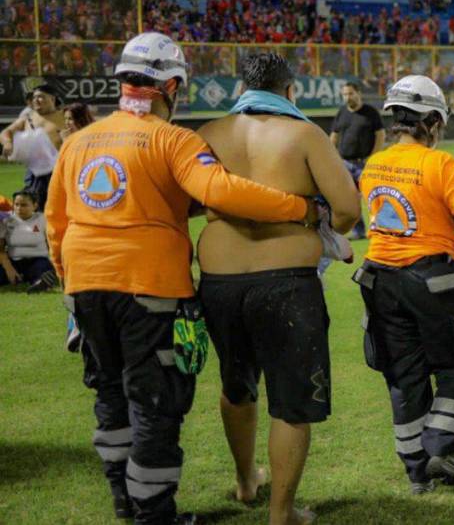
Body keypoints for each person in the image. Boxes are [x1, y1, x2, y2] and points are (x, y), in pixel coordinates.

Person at [47, 32, 318, 525]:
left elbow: (55, 224)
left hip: (84, 285)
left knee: (110, 396)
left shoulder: (76, 143)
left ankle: (124, 502)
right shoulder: (172, 139)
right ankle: (155, 514)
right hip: (148, 287)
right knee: (155, 400)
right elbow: (221, 190)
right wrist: (299, 207)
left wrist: (72, 287)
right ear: (170, 85)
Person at [196, 53, 361, 525]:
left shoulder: (209, 132)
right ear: (290, 91)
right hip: (286, 282)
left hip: (219, 281)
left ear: (242, 87)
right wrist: (310, 214)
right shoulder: (304, 133)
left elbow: (188, 200)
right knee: (291, 403)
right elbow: (348, 210)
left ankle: (247, 479)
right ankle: (280, 513)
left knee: (236, 384)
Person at [353, 75, 454, 495]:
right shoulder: (441, 164)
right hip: (434, 280)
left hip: (380, 280)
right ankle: (440, 446)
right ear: (431, 121)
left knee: (403, 375)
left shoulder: (373, 164)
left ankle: (417, 471)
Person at [330, 80, 384, 239]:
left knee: (373, 197)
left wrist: (372, 158)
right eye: (345, 94)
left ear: (359, 93)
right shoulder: (342, 112)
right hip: (345, 163)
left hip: (364, 164)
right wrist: (330, 156)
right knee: (350, 200)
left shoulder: (370, 112)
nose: (348, 97)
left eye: (350, 94)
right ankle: (359, 231)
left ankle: (381, 228)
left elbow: (380, 135)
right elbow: (334, 136)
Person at [1, 84, 66, 209]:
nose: (36, 100)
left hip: (60, 171)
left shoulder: (65, 116)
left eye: (41, 97)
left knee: (60, 209)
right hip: (34, 174)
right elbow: (6, 132)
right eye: (34, 97)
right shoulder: (27, 118)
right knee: (34, 211)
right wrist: (8, 142)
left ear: (52, 99)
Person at [0, 190, 57, 293]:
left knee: (42, 269)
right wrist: (9, 269)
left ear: (35, 205)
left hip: (37, 260)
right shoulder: (6, 221)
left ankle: (40, 283)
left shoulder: (43, 220)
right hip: (13, 262)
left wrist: (55, 262)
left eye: (24, 205)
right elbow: (0, 249)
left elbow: (53, 243)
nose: (19, 208)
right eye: (16, 205)